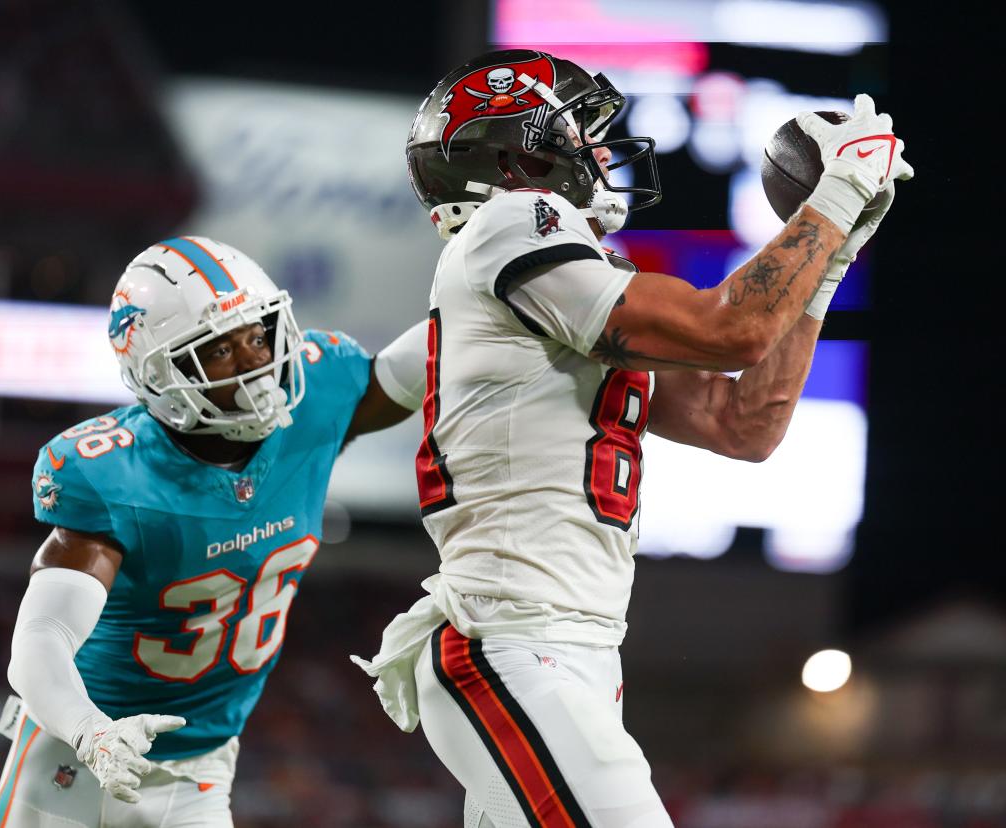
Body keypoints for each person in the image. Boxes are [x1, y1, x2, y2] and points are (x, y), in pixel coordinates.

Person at [354, 49, 912, 827]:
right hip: (513, 640)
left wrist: (828, 260)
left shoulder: (556, 279)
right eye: (578, 132)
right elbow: (733, 330)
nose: (597, 151)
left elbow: (743, 423)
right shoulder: (514, 222)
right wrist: (834, 197)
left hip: (571, 651)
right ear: (522, 153)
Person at [0, 236, 427, 827]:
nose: (255, 362)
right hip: (78, 754)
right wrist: (91, 732)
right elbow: (42, 636)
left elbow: (428, 357)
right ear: (160, 376)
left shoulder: (318, 398)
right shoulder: (114, 471)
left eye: (258, 334)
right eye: (219, 351)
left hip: (203, 768)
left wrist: (497, 273)